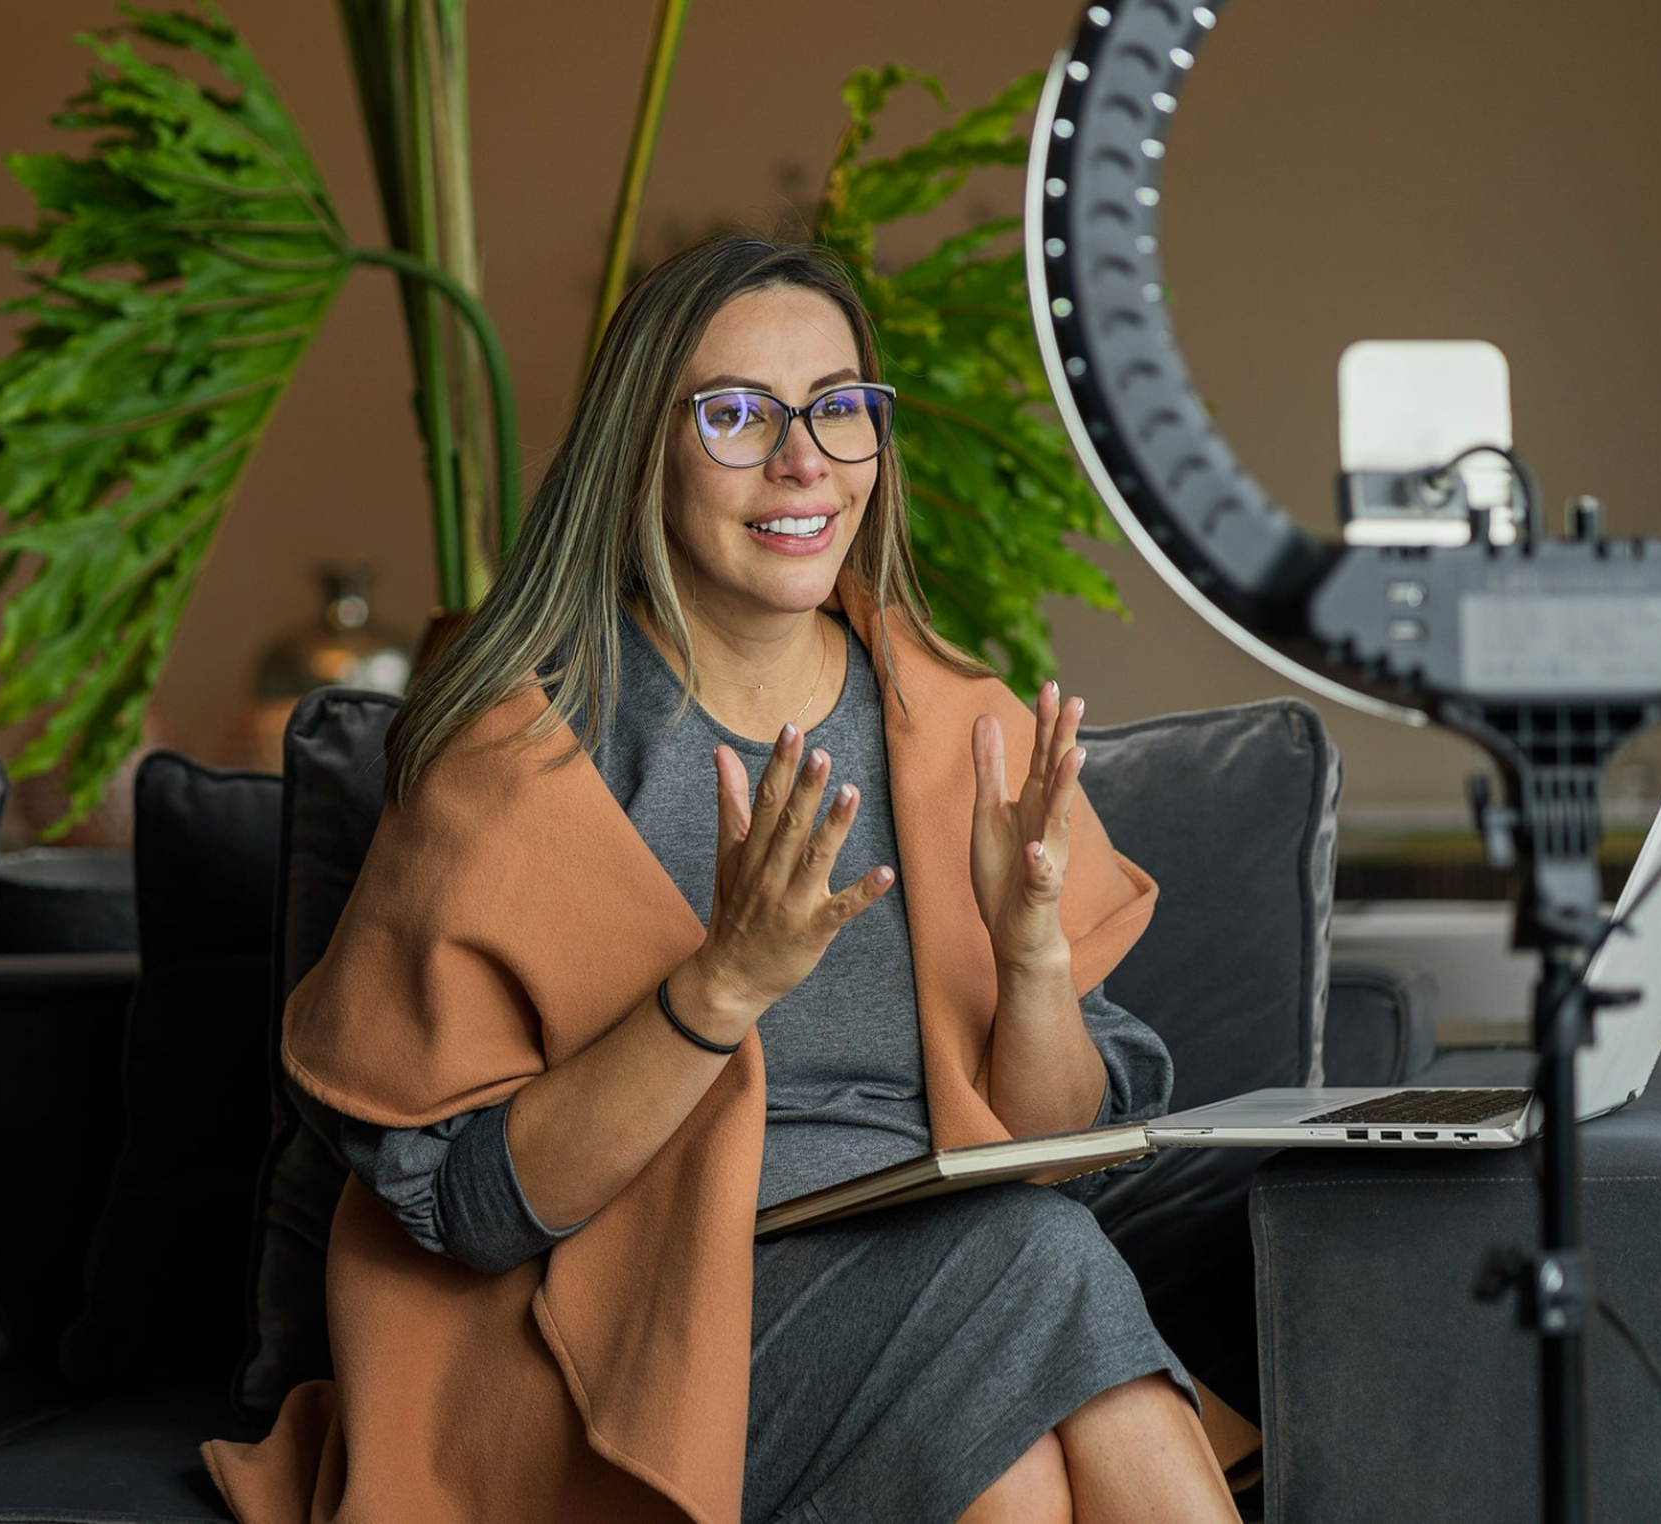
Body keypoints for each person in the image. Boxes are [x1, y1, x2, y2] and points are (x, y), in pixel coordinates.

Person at [203, 235, 1243, 1524]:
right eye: (738, 414)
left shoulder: (958, 726)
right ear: (643, 449)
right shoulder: (519, 760)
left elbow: (1057, 1157)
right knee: (1035, 1272)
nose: (803, 460)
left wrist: (1032, 956)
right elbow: (471, 1211)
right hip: (630, 1341)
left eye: (839, 407)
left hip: (942, 1270)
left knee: (1021, 1428)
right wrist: (722, 986)